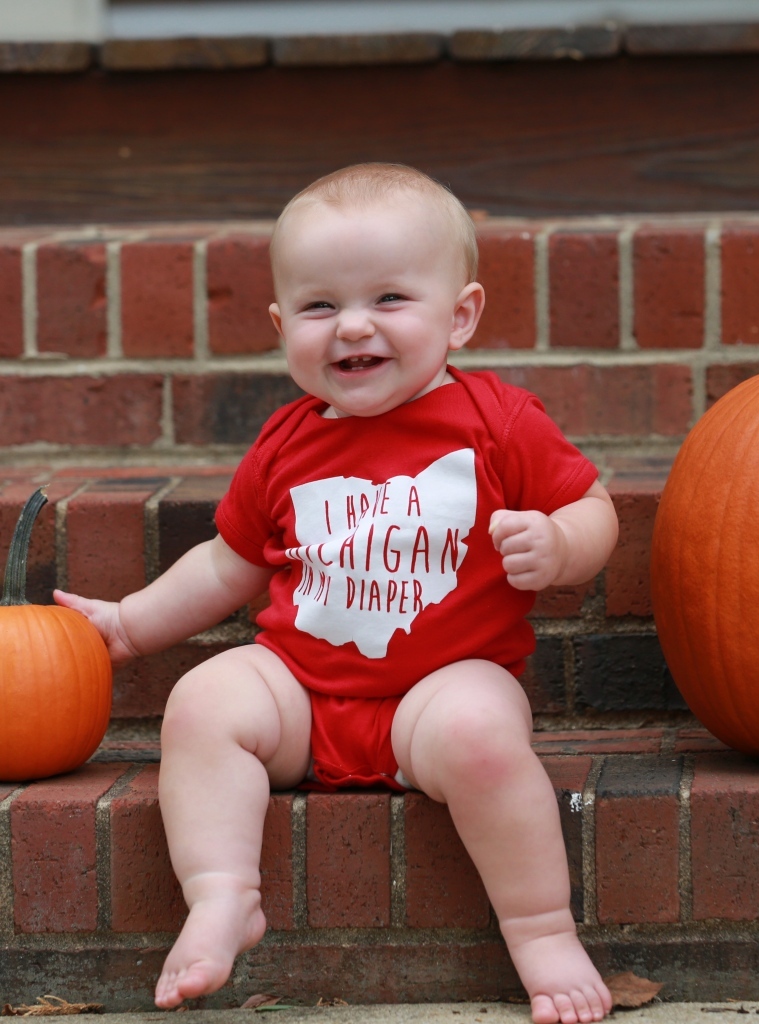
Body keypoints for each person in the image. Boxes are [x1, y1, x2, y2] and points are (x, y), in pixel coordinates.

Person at [55, 163, 619, 1024]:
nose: (353, 325)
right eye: (320, 307)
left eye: (390, 298)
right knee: (203, 702)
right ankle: (221, 894)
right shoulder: (286, 442)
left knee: (482, 732)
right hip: (302, 694)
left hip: (437, 694)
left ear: (460, 315)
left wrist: (563, 543)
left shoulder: (497, 423)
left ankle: (541, 929)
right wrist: (129, 627)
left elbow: (591, 504)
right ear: (284, 326)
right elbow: (226, 564)